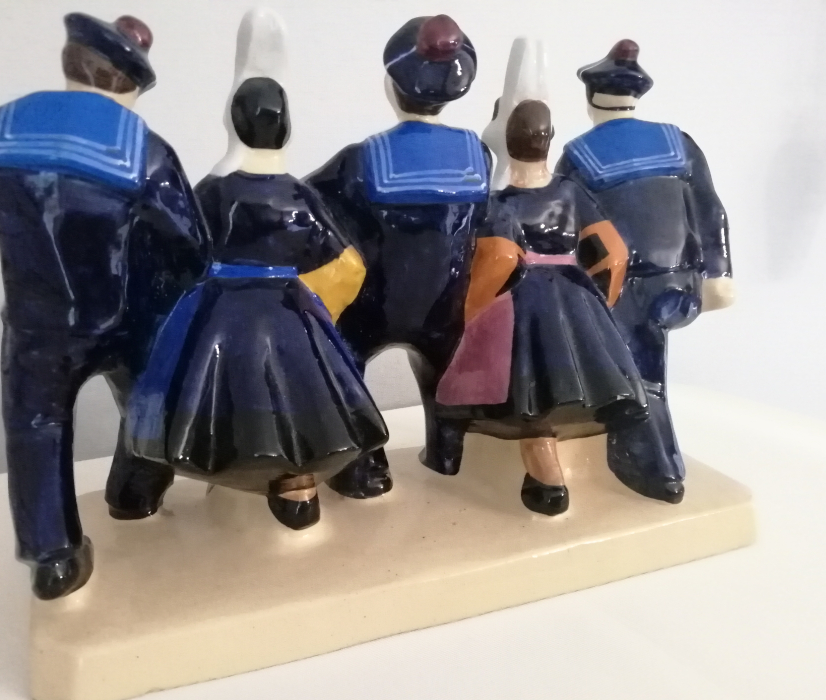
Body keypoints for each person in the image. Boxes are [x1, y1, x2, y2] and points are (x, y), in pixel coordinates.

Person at [0, 14, 207, 599]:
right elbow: (192, 248)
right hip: (125, 315)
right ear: (130, 84)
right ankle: (135, 492)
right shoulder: (144, 152)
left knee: (36, 428)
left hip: (36, 325)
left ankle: (53, 558)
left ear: (72, 62)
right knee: (147, 399)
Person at [125, 77, 388, 530]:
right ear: (286, 129)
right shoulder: (298, 196)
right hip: (288, 312)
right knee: (300, 404)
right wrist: (320, 312)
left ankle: (152, 486)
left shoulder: (214, 191)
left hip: (219, 314)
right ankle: (297, 494)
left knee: (199, 397)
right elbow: (349, 265)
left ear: (233, 123)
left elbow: (181, 248)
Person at [307, 15, 492, 499]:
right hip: (446, 304)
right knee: (445, 379)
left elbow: (304, 204)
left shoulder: (361, 158)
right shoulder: (479, 156)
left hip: (373, 302)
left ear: (392, 86)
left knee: (348, 367)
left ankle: (363, 467)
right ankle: (448, 456)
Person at [436, 100, 647, 514]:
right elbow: (615, 254)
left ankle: (547, 479)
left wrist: (471, 314)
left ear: (506, 142)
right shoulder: (572, 191)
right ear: (549, 141)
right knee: (567, 384)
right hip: (574, 292)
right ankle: (550, 475)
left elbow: (500, 258)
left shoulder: (500, 203)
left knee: (527, 392)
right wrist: (599, 304)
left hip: (523, 301)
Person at [554, 40, 734, 504]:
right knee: (642, 368)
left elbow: (569, 227)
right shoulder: (679, 141)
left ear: (592, 99)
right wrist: (719, 274)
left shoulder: (578, 155)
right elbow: (711, 209)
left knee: (639, 375)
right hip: (682, 281)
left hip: (625, 287)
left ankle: (655, 468)